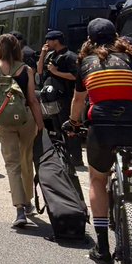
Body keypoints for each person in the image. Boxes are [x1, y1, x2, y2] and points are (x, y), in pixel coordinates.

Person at [70, 19, 132, 264]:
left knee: (97, 179)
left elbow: (78, 102)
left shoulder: (85, 63)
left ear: (90, 39)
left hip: (101, 129)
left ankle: (102, 247)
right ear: (116, 35)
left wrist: (73, 123)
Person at [0, 33, 43, 228]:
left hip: (3, 119)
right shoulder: (27, 69)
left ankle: (19, 209)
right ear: (18, 48)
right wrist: (40, 125)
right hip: (25, 118)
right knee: (26, 158)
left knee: (12, 164)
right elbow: (32, 99)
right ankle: (28, 201)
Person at [38, 30, 82, 166]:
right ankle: (64, 155)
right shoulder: (51, 55)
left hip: (66, 97)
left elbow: (75, 76)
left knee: (69, 128)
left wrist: (56, 72)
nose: (46, 43)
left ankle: (76, 157)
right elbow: (40, 71)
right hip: (53, 98)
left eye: (49, 40)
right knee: (57, 128)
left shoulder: (69, 56)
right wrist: (43, 54)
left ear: (56, 41)